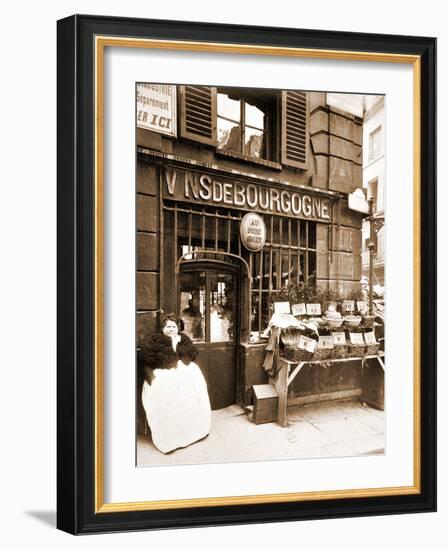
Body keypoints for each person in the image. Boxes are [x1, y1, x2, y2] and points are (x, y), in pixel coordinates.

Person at [139, 314, 211, 454]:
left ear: (178, 328)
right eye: (168, 326)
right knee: (167, 398)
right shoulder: (155, 340)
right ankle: (170, 439)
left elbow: (190, 357)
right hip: (162, 373)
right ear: (163, 328)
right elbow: (144, 360)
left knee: (192, 395)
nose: (171, 329)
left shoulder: (183, 339)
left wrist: (176, 344)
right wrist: (152, 379)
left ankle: (192, 432)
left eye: (174, 326)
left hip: (184, 372)